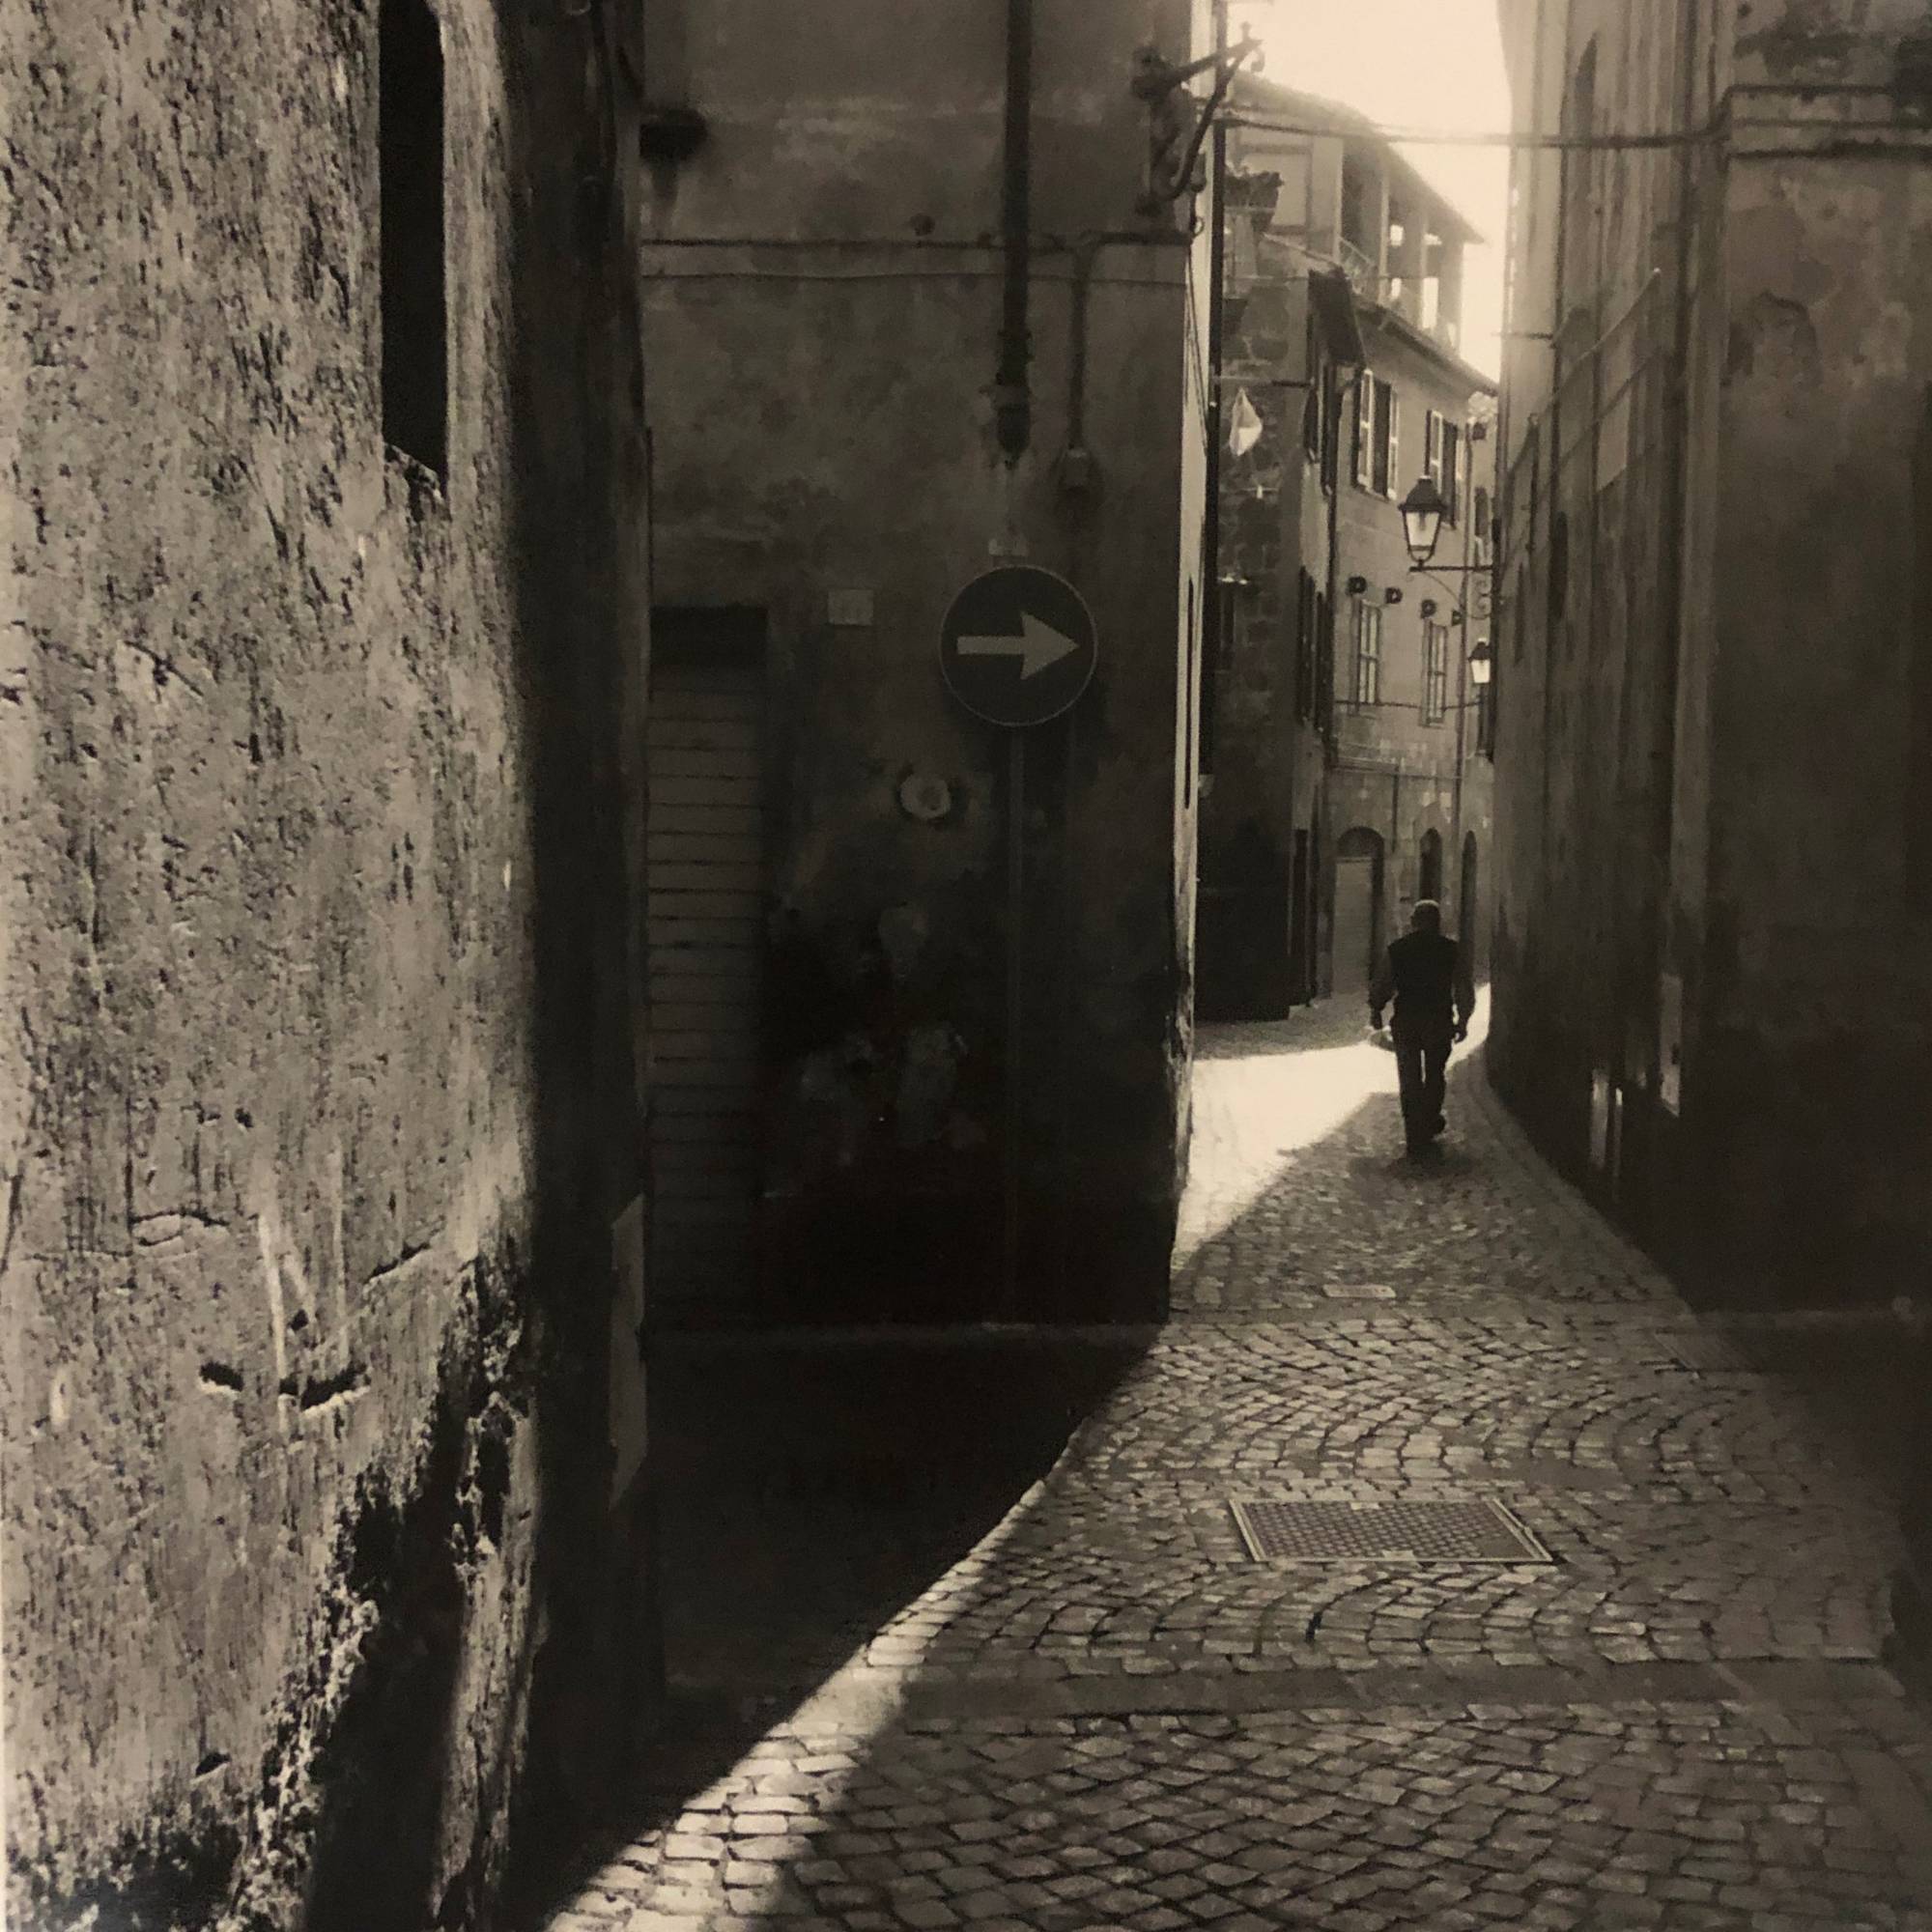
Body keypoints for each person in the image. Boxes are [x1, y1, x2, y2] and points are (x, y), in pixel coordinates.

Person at [1369, 899, 1475, 1156]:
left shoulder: (1398, 949)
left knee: (1409, 1077)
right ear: (1437, 923)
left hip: (1407, 1021)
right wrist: (1462, 1020)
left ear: (1414, 922)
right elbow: (1463, 987)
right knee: (1435, 1074)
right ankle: (1428, 1120)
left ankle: (1414, 1131)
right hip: (1437, 1021)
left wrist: (1376, 1009)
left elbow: (1383, 982)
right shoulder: (1451, 950)